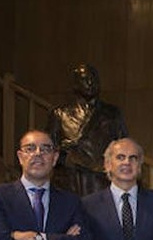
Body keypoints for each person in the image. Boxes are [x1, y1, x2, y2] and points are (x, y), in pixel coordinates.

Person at [47, 63, 129, 196]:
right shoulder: (60, 114)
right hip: (70, 183)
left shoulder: (112, 113)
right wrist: (67, 154)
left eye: (94, 78)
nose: (90, 83)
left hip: (101, 183)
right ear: (75, 84)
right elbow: (49, 150)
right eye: (85, 79)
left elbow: (125, 147)